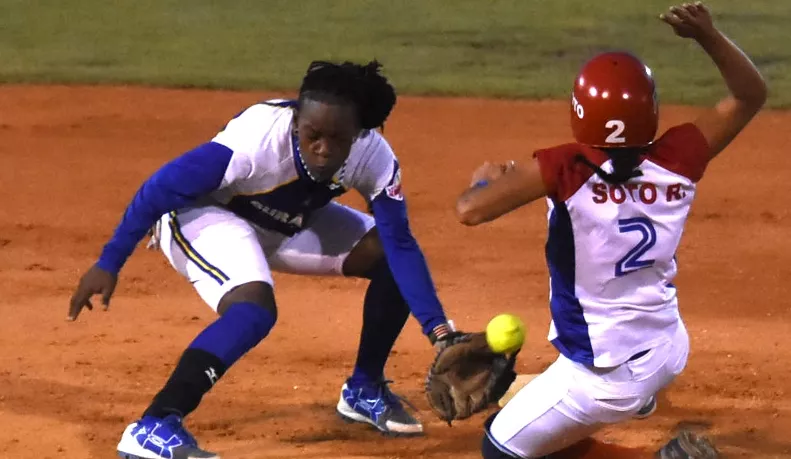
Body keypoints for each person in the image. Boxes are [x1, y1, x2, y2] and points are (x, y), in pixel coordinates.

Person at [68, 60, 459, 459]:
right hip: (206, 215)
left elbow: (400, 242)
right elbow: (160, 188)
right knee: (254, 311)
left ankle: (364, 388)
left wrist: (440, 333)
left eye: (336, 139)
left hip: (287, 220)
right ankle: (154, 425)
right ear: (295, 124)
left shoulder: (374, 156)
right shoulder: (256, 141)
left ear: (358, 135)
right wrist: (110, 261)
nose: (322, 149)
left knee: (387, 256)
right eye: (312, 135)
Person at [454, 3, 766, 458]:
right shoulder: (679, 156)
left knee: (500, 446)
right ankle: (636, 402)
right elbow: (750, 95)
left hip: (604, 377)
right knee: (558, 410)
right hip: (666, 347)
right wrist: (708, 36)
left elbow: (470, 211)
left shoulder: (564, 167)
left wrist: (483, 179)